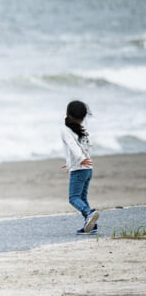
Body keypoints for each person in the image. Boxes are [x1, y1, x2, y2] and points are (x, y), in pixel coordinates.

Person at [61, 100, 99, 235]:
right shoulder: (83, 129)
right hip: (88, 169)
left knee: (73, 198)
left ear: (67, 113)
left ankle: (89, 213)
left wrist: (79, 160)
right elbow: (86, 146)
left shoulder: (66, 130)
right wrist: (72, 163)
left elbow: (73, 147)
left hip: (80, 168)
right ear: (83, 117)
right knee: (82, 198)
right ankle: (91, 225)